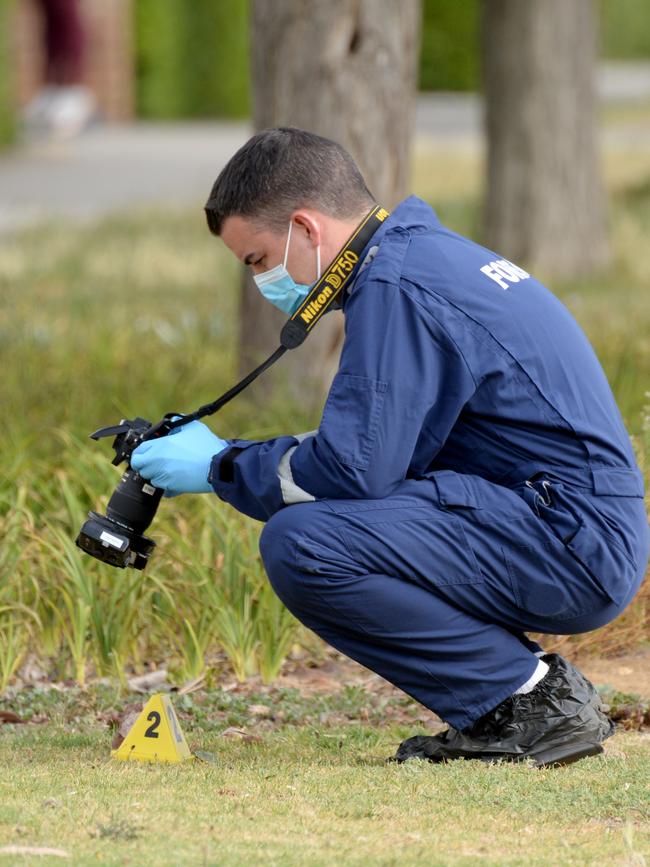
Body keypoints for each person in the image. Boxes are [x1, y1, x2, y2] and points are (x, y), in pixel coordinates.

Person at [131, 127, 650, 767]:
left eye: (257, 260)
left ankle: (530, 703)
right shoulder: (419, 260)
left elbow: (351, 472)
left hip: (570, 540)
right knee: (326, 526)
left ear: (306, 228)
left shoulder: (396, 287)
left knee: (305, 544)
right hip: (571, 526)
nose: (261, 281)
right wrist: (230, 457)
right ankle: (520, 698)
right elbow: (375, 453)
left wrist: (217, 466)